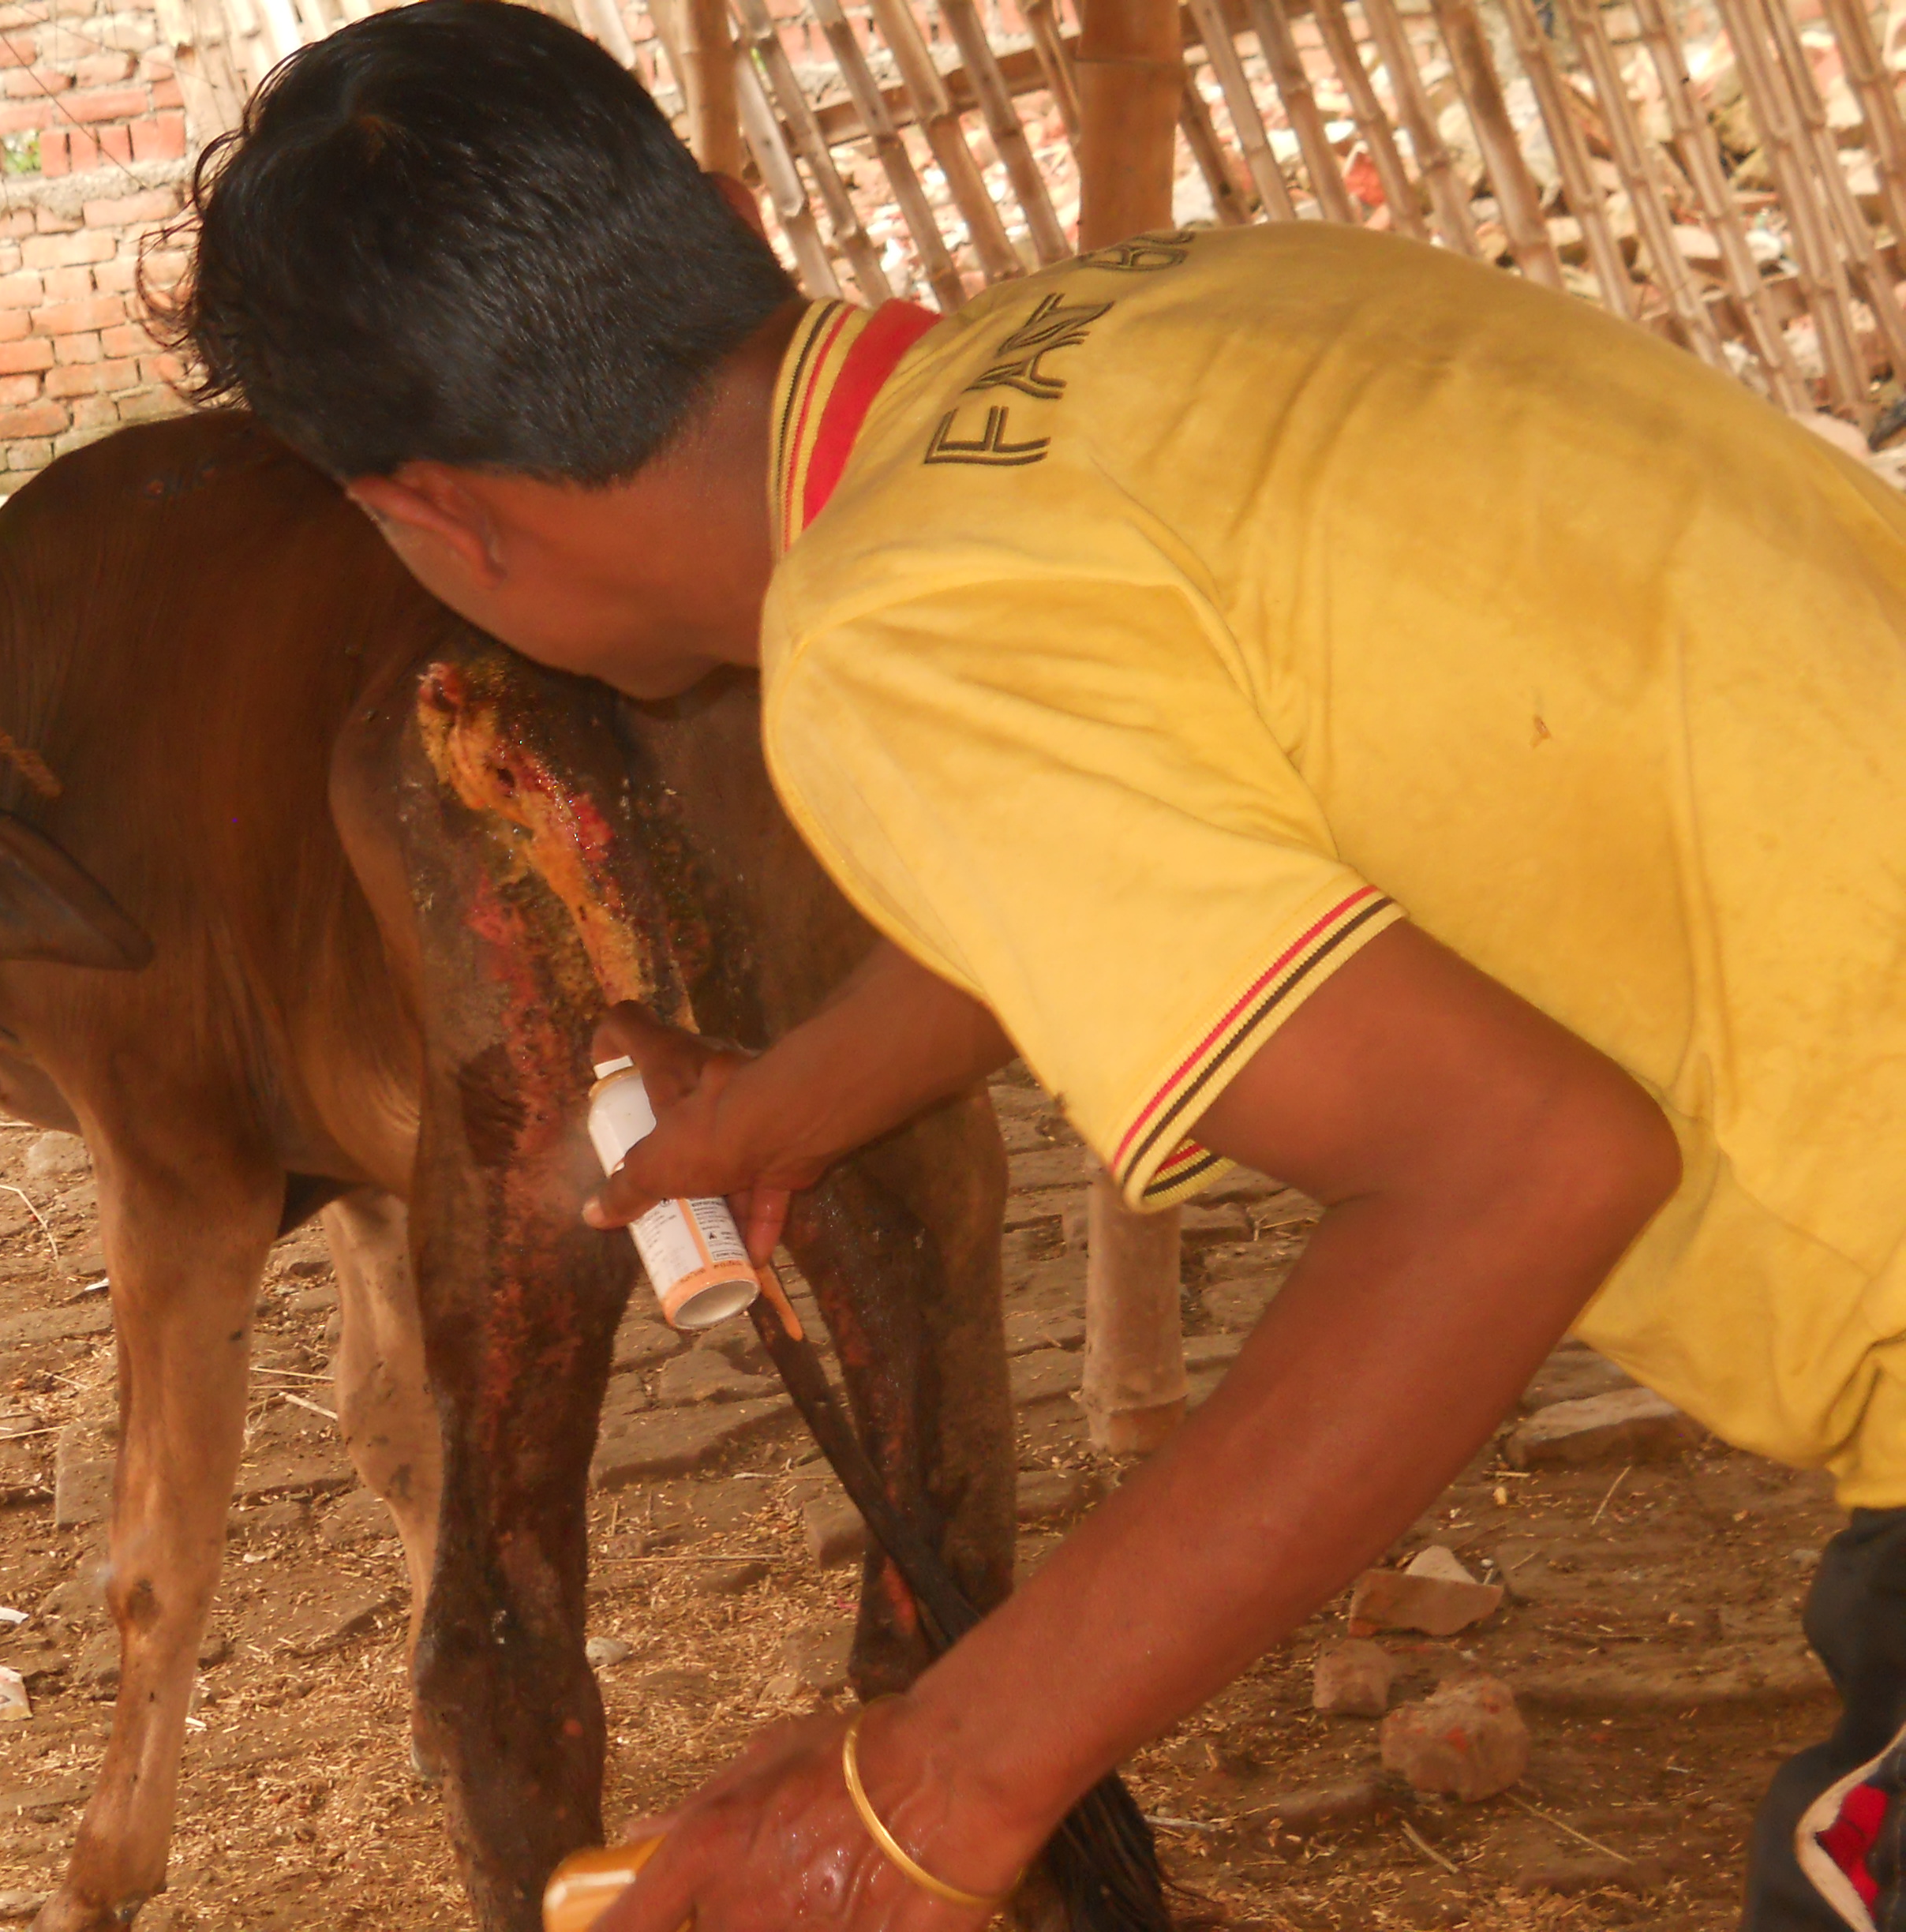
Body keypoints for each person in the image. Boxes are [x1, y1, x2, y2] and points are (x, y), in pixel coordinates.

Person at [161, 5, 1906, 1925]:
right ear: (725, 219)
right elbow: (1208, 826)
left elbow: (1518, 1173)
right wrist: (783, 1101)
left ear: (428, 521)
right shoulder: (1184, 308)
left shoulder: (887, 643)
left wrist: (925, 1789)